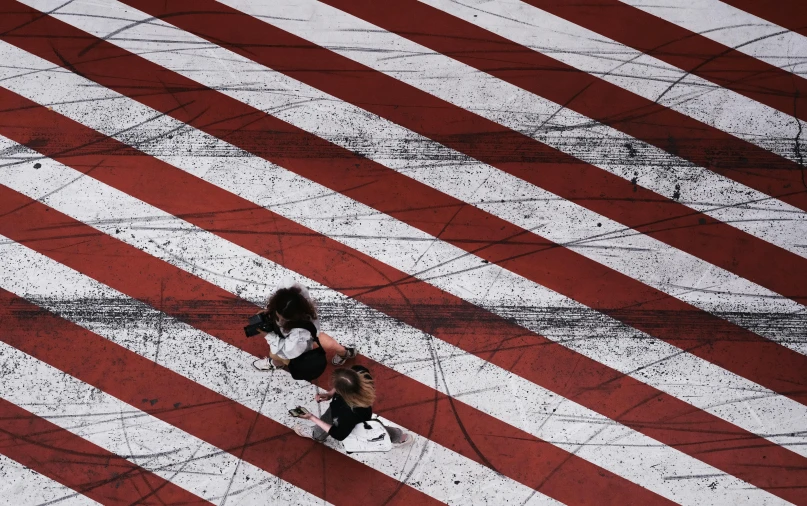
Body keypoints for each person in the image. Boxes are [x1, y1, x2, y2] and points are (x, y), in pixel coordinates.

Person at [293, 365, 413, 446]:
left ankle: (317, 435)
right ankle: (397, 436)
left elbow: (339, 434)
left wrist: (311, 417)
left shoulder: (345, 411)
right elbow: (347, 383)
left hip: (346, 415)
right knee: (373, 427)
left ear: (342, 391)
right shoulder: (361, 373)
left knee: (330, 419)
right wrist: (330, 394)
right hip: (362, 413)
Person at [252, 278, 356, 371]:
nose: (278, 318)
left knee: (274, 354)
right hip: (309, 329)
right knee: (317, 338)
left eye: (281, 317)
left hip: (299, 339)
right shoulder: (295, 299)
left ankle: (276, 363)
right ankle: (344, 352)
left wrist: (268, 336)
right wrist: (271, 309)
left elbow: (286, 351)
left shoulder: (299, 333)